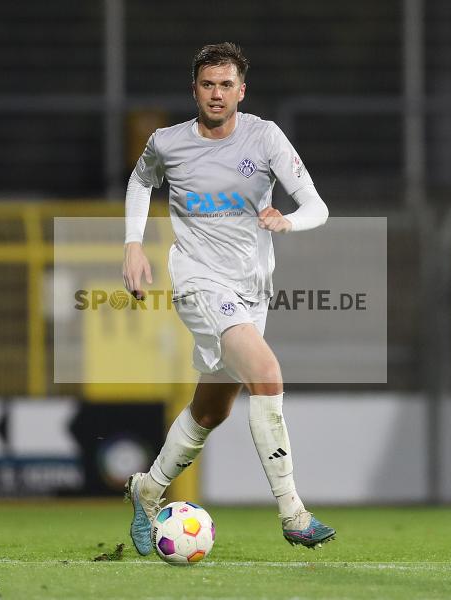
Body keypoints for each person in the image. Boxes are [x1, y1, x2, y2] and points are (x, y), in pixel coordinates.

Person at [122, 42, 333, 555]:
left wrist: (288, 219)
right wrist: (133, 245)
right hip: (198, 282)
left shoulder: (265, 137)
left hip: (250, 291)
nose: (216, 94)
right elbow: (139, 180)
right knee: (266, 371)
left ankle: (148, 489)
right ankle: (292, 512)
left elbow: (317, 206)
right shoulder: (167, 143)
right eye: (207, 84)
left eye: (225, 85)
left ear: (241, 90)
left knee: (210, 411)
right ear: (194, 89)